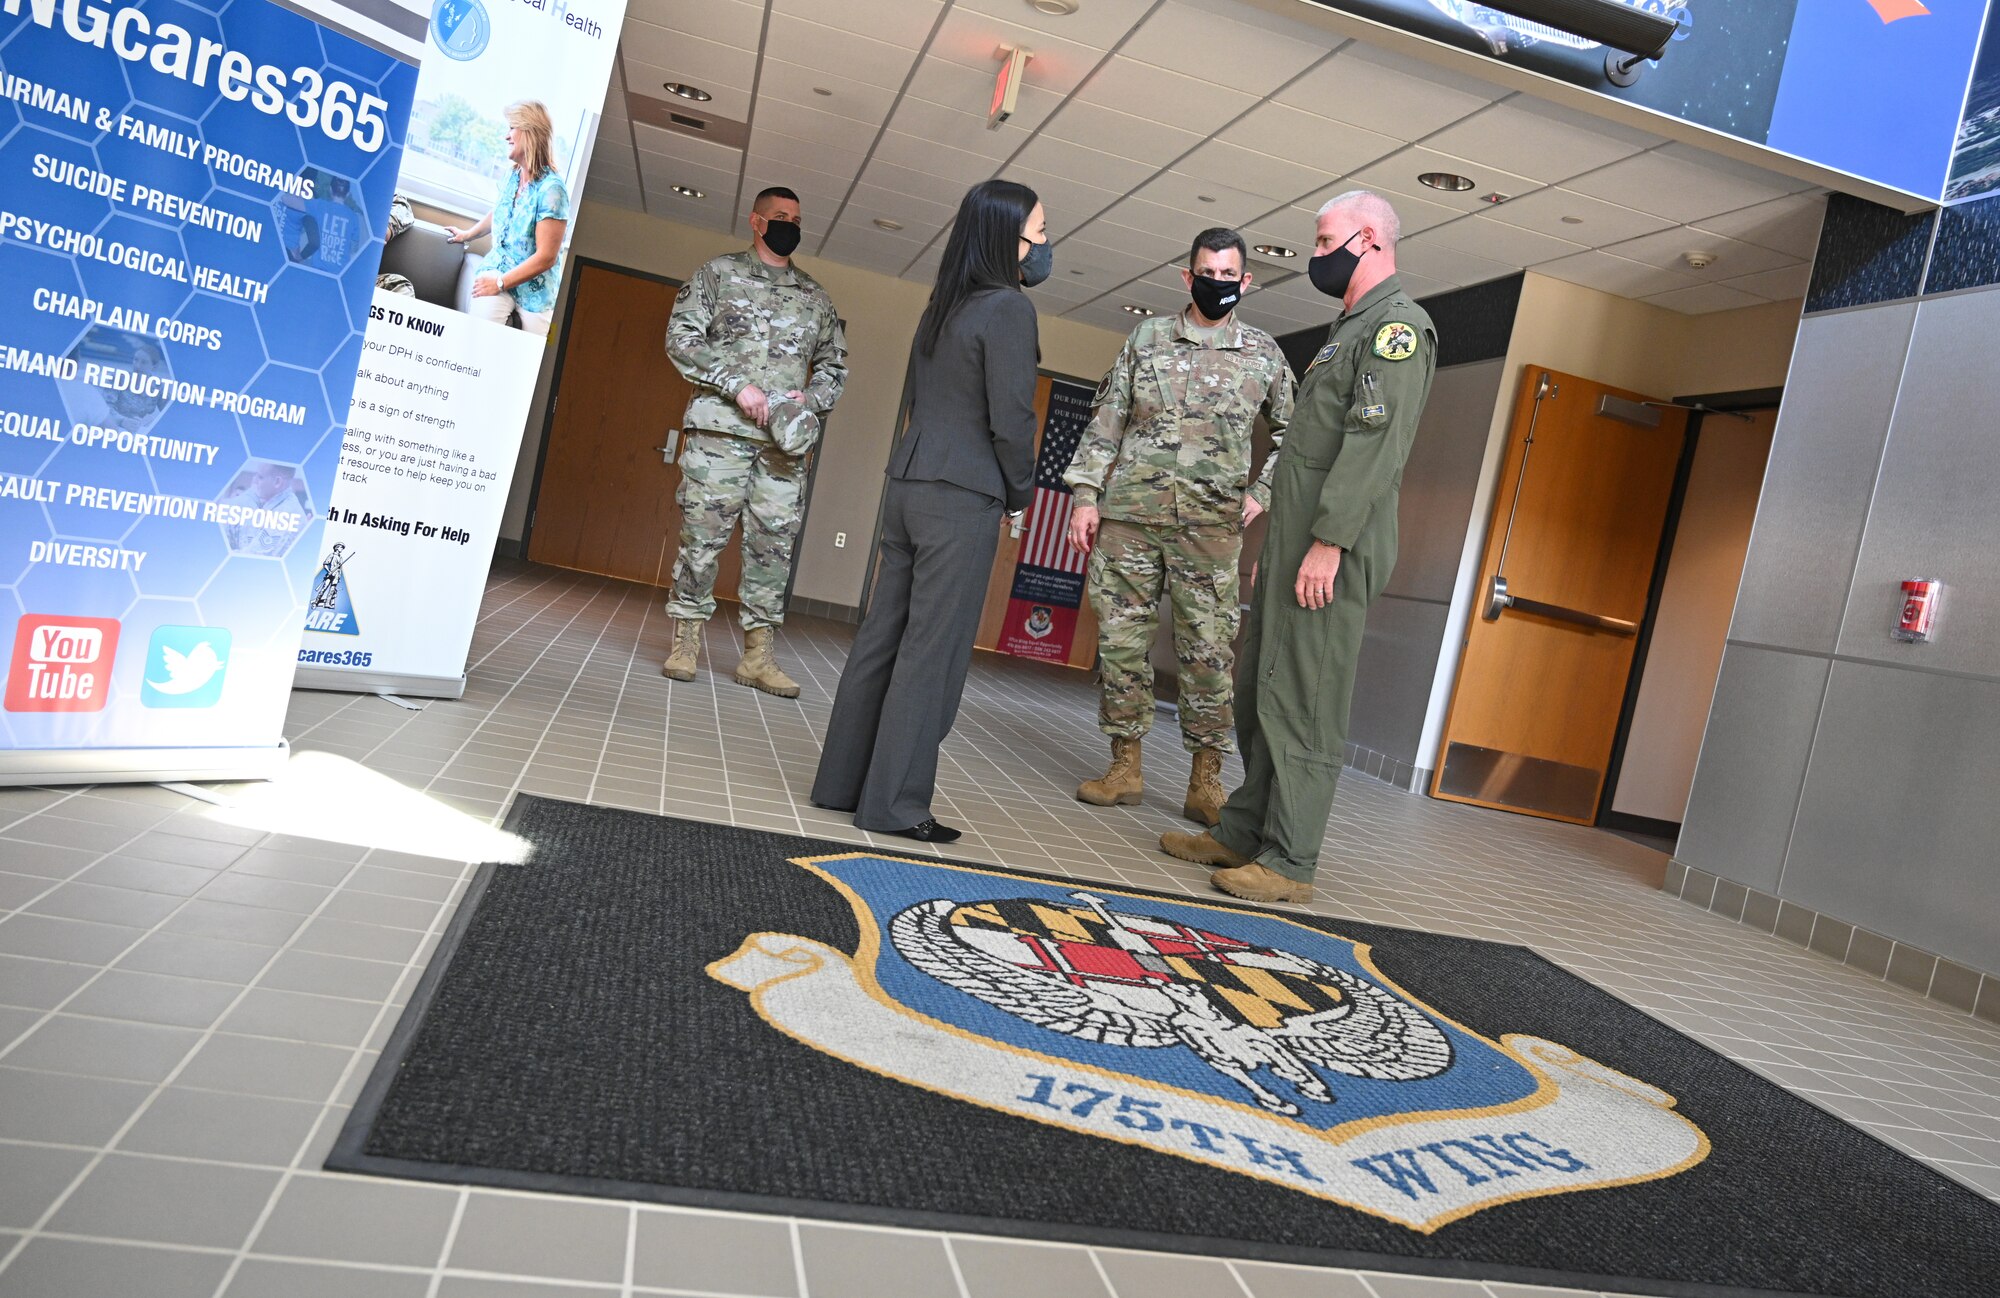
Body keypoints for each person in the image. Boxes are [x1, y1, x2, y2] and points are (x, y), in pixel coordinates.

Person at [1160, 191, 1437, 905]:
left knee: (1306, 697)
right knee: (1261, 689)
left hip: (1331, 546)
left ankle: (1291, 860)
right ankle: (1245, 830)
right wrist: (1281, 544)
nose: (1315, 256)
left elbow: (1374, 447)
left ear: (1369, 240)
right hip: (1298, 540)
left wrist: (1329, 544)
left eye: (1324, 242)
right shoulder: (1348, 330)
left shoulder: (1398, 329)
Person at [810, 180, 1048, 843]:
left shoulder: (944, 304)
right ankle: (895, 806)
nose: (1044, 245)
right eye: (1039, 231)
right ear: (1008, 237)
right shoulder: (1009, 310)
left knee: (883, 635)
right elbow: (1010, 419)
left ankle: (841, 784)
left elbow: (920, 399)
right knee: (932, 653)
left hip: (910, 484)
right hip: (963, 495)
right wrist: (1021, 493)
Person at [1063, 227, 1295, 828]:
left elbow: (1297, 436)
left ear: (1246, 282)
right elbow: (1108, 418)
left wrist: (1262, 493)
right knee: (1121, 645)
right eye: (1206, 273)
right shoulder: (1147, 338)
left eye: (1229, 275)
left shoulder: (1264, 354)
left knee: (1208, 653)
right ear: (1186, 276)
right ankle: (1125, 769)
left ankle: (1206, 783)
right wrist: (1085, 496)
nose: (1217, 284)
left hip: (1211, 528)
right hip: (1130, 520)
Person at [659, 186, 849, 698]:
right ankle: (686, 642)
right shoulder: (717, 275)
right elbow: (681, 339)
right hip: (720, 435)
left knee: (773, 548)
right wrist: (734, 384)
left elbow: (835, 364)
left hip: (781, 447)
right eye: (780, 216)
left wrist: (807, 400)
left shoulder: (815, 297)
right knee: (702, 538)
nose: (790, 224)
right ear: (757, 222)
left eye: (797, 217)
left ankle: (758, 657)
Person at [446, 100, 569, 337]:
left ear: (530, 131)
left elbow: (546, 257)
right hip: (499, 267)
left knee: (530, 357)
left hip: (536, 289)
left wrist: (501, 283)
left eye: (512, 128)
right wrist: (468, 234)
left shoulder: (552, 190)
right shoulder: (513, 176)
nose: (506, 136)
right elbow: (502, 212)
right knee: (478, 334)